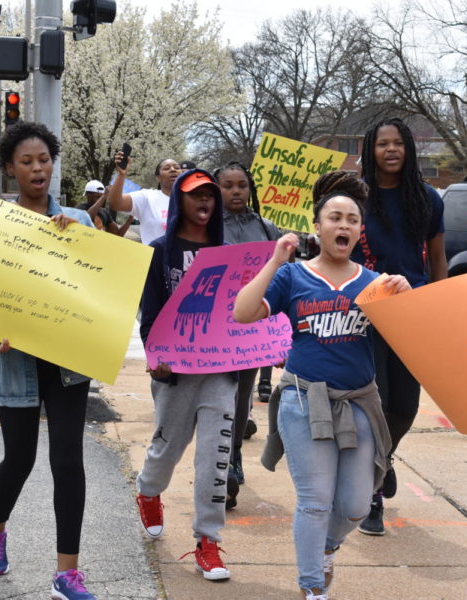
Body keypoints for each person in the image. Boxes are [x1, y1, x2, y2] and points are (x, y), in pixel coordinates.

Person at [234, 171, 410, 600]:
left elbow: (410, 337)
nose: (343, 225)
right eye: (335, 217)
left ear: (360, 230)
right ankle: (312, 587)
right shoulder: (293, 277)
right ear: (318, 226)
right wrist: (275, 259)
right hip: (302, 400)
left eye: (352, 219)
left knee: (354, 504)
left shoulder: (374, 283)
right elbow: (242, 312)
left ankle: (327, 546)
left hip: (359, 403)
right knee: (314, 500)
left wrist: (407, 295)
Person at [0, 121, 100, 600]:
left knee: (68, 460)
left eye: (44, 160)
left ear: (54, 165)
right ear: (10, 169)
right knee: (20, 458)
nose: (37, 169)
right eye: (26, 162)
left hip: (67, 361)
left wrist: (77, 244)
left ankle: (67, 572)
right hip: (14, 363)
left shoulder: (79, 222)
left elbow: (98, 291)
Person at [135, 168, 237, 581]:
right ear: (180, 201)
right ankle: (147, 489)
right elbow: (150, 311)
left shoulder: (228, 252)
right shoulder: (161, 251)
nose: (205, 202)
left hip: (220, 371)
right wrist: (154, 353)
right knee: (166, 450)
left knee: (215, 457)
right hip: (174, 372)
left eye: (210, 195)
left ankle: (207, 542)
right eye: (196, 196)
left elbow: (242, 307)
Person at [352, 117, 447, 536]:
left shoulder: (428, 199)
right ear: (370, 151)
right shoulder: (357, 198)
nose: (390, 150)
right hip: (364, 314)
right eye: (381, 144)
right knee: (378, 402)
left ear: (408, 149)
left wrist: (439, 303)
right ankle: (373, 497)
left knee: (405, 407)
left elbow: (438, 257)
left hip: (413, 310)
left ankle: (384, 460)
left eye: (398, 143)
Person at [216, 161, 281, 505]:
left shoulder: (266, 227)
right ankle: (217, 459)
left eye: (241, 185)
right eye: (228, 185)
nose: (236, 191)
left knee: (243, 392)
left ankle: (233, 454)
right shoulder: (207, 226)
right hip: (216, 325)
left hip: (252, 324)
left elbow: (280, 275)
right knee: (218, 394)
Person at [106, 151, 181, 245]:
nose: (173, 169)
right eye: (166, 168)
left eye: (177, 167)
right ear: (158, 178)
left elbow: (203, 237)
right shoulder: (147, 197)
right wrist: (121, 174)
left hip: (191, 259)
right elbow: (116, 204)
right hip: (155, 259)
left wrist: (203, 260)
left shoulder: (193, 200)